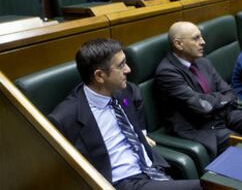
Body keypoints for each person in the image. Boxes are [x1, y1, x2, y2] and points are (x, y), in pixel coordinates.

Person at [48, 38, 201, 189]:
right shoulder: (65, 118)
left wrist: (142, 132)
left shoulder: (124, 90)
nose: (128, 69)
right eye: (121, 66)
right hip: (123, 182)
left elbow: (136, 98)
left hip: (153, 171)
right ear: (100, 76)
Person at [154, 21, 242, 158]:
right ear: (178, 44)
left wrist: (215, 102)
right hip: (199, 127)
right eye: (196, 38)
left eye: (201, 37)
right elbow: (201, 106)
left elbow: (230, 93)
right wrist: (219, 100)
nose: (203, 42)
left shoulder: (203, 62)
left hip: (220, 116)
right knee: (238, 142)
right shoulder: (167, 72)